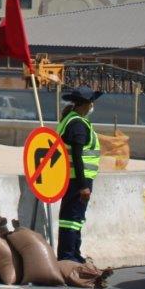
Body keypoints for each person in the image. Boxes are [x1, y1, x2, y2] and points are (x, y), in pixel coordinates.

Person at [56, 85, 103, 263]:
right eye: (91, 102)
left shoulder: (70, 120)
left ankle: (74, 254)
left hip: (72, 178)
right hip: (78, 179)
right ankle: (68, 256)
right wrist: (83, 186)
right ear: (86, 104)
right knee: (73, 218)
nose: (92, 106)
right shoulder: (78, 125)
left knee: (74, 219)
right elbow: (77, 156)